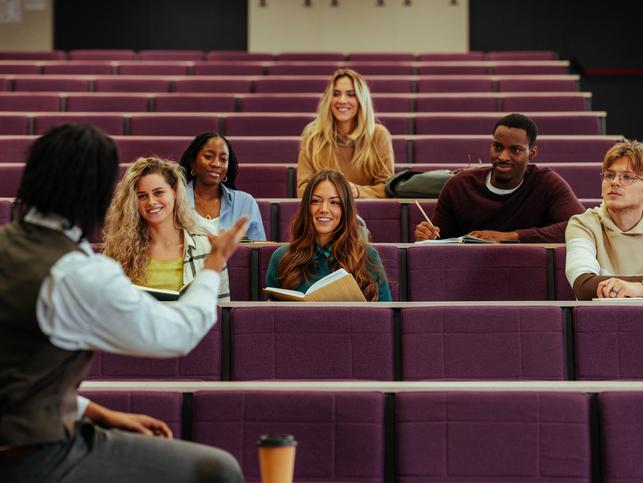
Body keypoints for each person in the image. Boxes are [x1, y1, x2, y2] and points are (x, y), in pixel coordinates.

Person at [0, 124, 246, 483]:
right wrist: (213, 264)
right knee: (217, 470)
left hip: (32, 432)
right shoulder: (76, 272)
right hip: (34, 455)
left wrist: (98, 413)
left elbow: (17, 374)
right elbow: (177, 335)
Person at [414, 113, 585, 243]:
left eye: (515, 150)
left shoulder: (546, 183)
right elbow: (439, 239)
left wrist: (507, 236)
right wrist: (427, 236)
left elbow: (580, 226)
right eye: (497, 147)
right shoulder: (459, 186)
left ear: (532, 153)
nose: (503, 156)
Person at [103, 156, 230, 301]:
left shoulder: (207, 246)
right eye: (142, 196)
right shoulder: (118, 250)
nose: (151, 202)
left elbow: (221, 310)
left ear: (174, 191)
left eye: (158, 193)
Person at [266, 169, 392, 301]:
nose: (324, 209)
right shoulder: (282, 257)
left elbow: (384, 316)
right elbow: (272, 317)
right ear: (306, 208)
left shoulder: (368, 256)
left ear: (345, 209)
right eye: (315, 201)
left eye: (334, 202)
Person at [296, 68, 394, 199]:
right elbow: (302, 189)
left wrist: (356, 191)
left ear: (361, 100)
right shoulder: (312, 135)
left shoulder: (379, 135)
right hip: (324, 212)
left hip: (368, 214)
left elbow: (386, 189)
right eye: (336, 94)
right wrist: (336, 193)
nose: (342, 100)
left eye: (351, 94)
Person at [565, 139, 643, 300]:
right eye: (609, 175)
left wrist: (638, 288)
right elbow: (583, 285)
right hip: (604, 321)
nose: (614, 182)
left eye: (627, 177)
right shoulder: (582, 224)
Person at [179, 132, 266, 240]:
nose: (216, 164)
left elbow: (258, 251)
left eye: (223, 159)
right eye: (208, 157)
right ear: (193, 163)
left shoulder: (245, 203)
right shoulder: (176, 199)